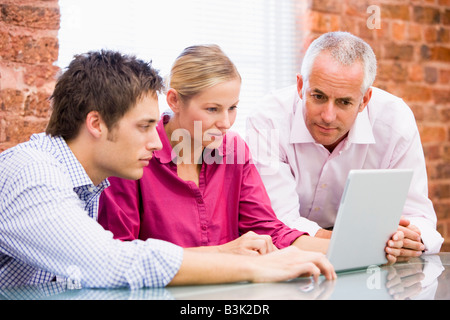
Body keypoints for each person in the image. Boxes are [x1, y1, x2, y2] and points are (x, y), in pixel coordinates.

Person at [0, 50, 336, 289]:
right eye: (145, 126)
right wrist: (252, 266)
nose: (157, 141)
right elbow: (111, 262)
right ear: (96, 124)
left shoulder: (87, 183)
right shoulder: (33, 175)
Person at [98, 45, 329, 255]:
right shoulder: (134, 155)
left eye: (232, 108)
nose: (226, 123)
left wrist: (347, 248)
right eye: (212, 109)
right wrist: (223, 254)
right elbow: (120, 254)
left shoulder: (234, 150)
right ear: (174, 100)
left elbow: (268, 230)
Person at [246, 31, 443, 263]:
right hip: (286, 260)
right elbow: (274, 221)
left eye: (344, 102)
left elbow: (418, 215)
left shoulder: (395, 121)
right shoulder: (267, 120)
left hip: (370, 265)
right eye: (318, 96)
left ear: (364, 100)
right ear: (300, 86)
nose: (328, 116)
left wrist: (409, 239)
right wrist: (363, 242)